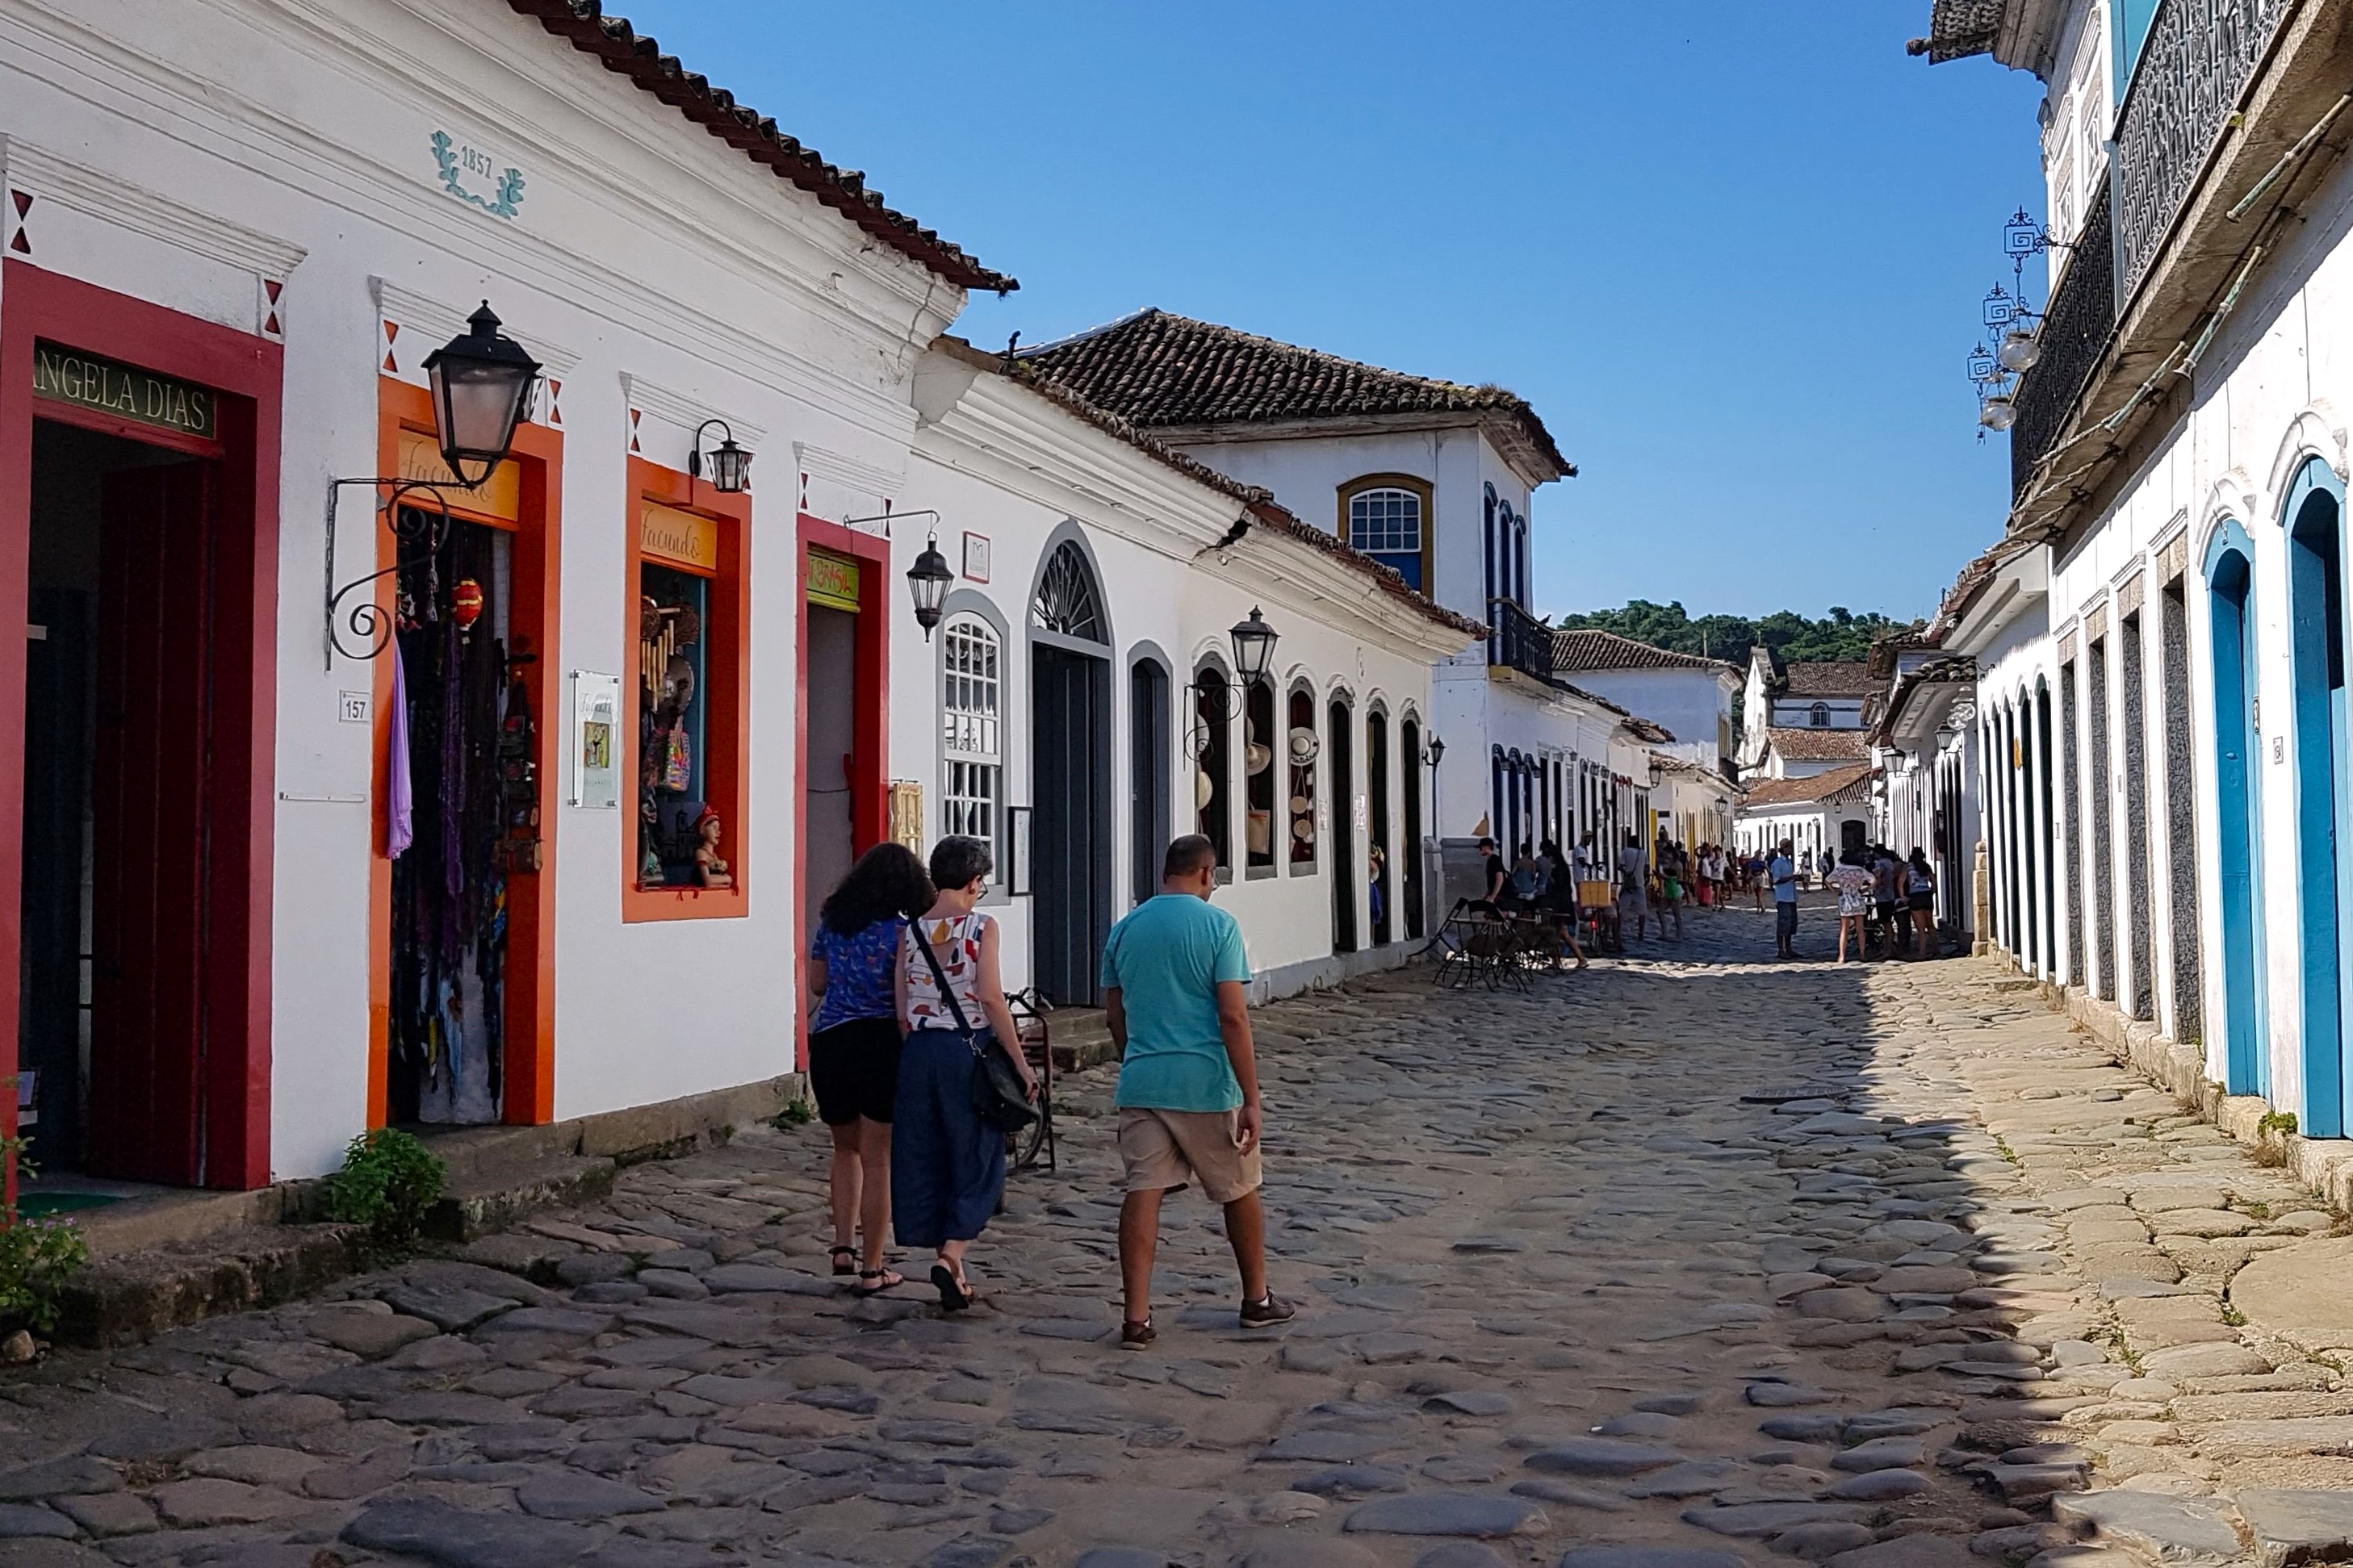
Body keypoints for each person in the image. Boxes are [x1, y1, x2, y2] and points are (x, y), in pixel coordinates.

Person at [1101, 834, 1296, 1348]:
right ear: (1208, 874)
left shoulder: (1125, 928)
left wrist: (1132, 1056)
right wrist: (1251, 1096)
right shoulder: (1218, 927)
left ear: (1167, 872)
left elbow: (1114, 1013)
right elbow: (1232, 1015)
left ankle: (1136, 1316)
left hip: (1143, 1079)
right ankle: (1256, 1298)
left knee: (1143, 1192)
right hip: (1205, 1081)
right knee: (1239, 1187)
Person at [895, 835, 1038, 1311]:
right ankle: (954, 1250)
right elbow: (992, 997)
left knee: (927, 1152)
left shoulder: (911, 931)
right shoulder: (980, 927)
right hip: (966, 1050)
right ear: (975, 881)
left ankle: (949, 1263)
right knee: (979, 1153)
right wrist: (1019, 1062)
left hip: (919, 1051)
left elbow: (901, 1011)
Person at [807, 843, 932, 1294]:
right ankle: (873, 1267)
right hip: (880, 1041)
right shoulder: (903, 933)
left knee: (844, 1151)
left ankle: (842, 1246)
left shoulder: (832, 926)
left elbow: (817, 984)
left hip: (831, 1040)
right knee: (879, 1158)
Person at [1826, 850, 1877, 964]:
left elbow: (1828, 880)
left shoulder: (1839, 870)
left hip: (1845, 899)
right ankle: (1862, 953)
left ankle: (1842, 956)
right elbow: (1874, 881)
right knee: (1860, 929)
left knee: (1844, 929)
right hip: (1857, 898)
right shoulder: (1860, 870)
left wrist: (1835, 890)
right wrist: (1865, 889)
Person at [1906, 847, 1939, 960]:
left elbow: (1901, 882)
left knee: (1920, 928)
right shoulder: (1926, 867)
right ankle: (1937, 949)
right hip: (1926, 896)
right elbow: (1933, 880)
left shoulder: (1908, 868)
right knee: (1930, 925)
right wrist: (1932, 891)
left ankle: (1922, 952)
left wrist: (1903, 896)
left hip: (1915, 897)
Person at [1617, 830, 1650, 942]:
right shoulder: (1643, 853)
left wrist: (1626, 871)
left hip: (1628, 885)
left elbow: (1620, 866)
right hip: (1639, 884)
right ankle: (1641, 932)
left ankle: (1619, 932)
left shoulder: (1625, 852)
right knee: (1642, 912)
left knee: (1621, 910)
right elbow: (1646, 868)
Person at [1771, 838, 1799, 959]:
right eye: (1790, 847)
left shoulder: (1788, 862)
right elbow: (1776, 880)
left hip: (1791, 896)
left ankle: (1789, 948)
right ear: (1784, 848)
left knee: (1791, 924)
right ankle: (1781, 950)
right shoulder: (1778, 863)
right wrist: (1792, 877)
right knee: (1783, 924)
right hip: (1783, 897)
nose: (1791, 850)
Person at [1471, 837, 1507, 915]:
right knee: (1490, 917)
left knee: (1489, 917)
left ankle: (1507, 915)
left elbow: (1500, 878)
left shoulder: (1494, 859)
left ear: (1487, 847)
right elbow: (1492, 882)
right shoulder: (1490, 860)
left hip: (1500, 896)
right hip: (1497, 895)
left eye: (1481, 848)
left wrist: (1493, 897)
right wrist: (1487, 895)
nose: (1479, 850)